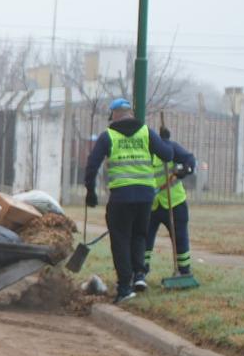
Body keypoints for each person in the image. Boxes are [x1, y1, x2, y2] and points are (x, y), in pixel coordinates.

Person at [82, 98, 196, 303]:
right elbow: (167, 154)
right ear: (131, 114)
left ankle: (125, 287)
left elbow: (92, 165)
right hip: (145, 198)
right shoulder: (146, 132)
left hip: (121, 198)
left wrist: (90, 191)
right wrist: (164, 141)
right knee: (139, 236)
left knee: (120, 240)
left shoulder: (108, 136)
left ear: (113, 116)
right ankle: (139, 276)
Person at [145, 122, 195, 282]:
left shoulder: (171, 148)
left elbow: (189, 159)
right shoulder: (144, 152)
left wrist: (185, 170)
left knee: (180, 238)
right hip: (151, 205)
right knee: (144, 239)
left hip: (175, 203)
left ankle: (184, 272)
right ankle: (140, 272)